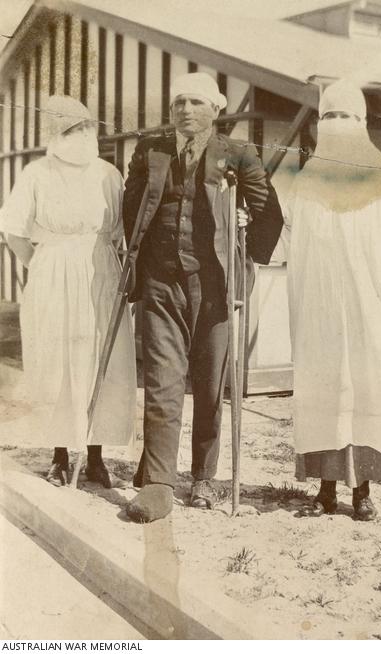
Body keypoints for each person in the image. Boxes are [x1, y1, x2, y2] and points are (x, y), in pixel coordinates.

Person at [123, 72, 283, 522]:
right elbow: (130, 206)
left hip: (214, 285)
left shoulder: (237, 152)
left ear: (216, 109)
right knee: (162, 380)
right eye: (178, 103)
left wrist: (246, 261)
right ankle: (157, 484)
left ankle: (204, 478)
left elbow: (269, 212)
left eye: (195, 102)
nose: (185, 110)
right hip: (159, 281)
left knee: (210, 385)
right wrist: (134, 262)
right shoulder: (150, 150)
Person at [285, 80, 381, 521]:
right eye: (329, 118)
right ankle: (327, 489)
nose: (338, 127)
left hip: (371, 306)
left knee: (365, 389)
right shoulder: (303, 184)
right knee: (327, 389)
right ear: (318, 127)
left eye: (347, 118)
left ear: (362, 124)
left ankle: (361, 490)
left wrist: (370, 284)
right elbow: (290, 241)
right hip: (321, 306)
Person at [1, 95, 137, 488]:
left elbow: (121, 232)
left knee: (99, 359)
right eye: (67, 129)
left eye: (83, 128)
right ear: (54, 134)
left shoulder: (108, 174)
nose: (76, 136)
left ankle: (95, 456)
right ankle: (60, 454)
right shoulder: (37, 174)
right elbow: (14, 231)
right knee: (57, 361)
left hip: (100, 273)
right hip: (53, 275)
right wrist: (45, 267)